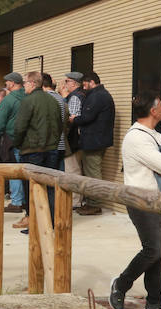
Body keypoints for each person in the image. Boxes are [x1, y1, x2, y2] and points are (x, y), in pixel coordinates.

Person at [109, 93, 161, 309]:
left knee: (159, 252)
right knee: (154, 248)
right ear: (153, 111)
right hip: (140, 201)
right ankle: (121, 284)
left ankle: (153, 302)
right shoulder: (137, 138)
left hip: (158, 200)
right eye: (160, 105)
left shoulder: (154, 135)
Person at [10, 72, 64, 230]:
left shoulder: (28, 101)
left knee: (32, 188)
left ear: (33, 83)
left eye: (25, 82)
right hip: (52, 148)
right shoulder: (53, 100)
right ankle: (51, 223)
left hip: (32, 149)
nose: (24, 85)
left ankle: (34, 225)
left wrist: (18, 144)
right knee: (50, 187)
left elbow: (19, 127)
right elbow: (61, 124)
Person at [73, 72, 116, 216]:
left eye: (85, 84)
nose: (83, 87)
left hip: (94, 141)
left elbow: (87, 116)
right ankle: (91, 202)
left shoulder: (98, 96)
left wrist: (74, 119)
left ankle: (95, 204)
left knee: (93, 173)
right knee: (92, 171)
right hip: (97, 139)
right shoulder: (101, 94)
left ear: (91, 82)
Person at [0, 72, 27, 212]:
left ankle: (17, 201)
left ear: (12, 83)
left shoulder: (8, 100)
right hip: (27, 139)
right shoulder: (28, 96)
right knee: (25, 171)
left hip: (11, 139)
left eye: (7, 82)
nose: (6, 84)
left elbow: (0, 124)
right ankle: (24, 200)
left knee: (14, 171)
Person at [60, 72, 85, 175]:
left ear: (74, 83)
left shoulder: (74, 97)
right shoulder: (82, 94)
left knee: (73, 169)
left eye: (67, 81)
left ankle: (75, 192)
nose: (65, 84)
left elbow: (70, 119)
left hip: (73, 140)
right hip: (79, 140)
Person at [42, 73, 67, 170]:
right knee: (59, 178)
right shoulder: (60, 98)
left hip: (50, 145)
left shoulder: (46, 98)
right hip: (61, 143)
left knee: (48, 178)